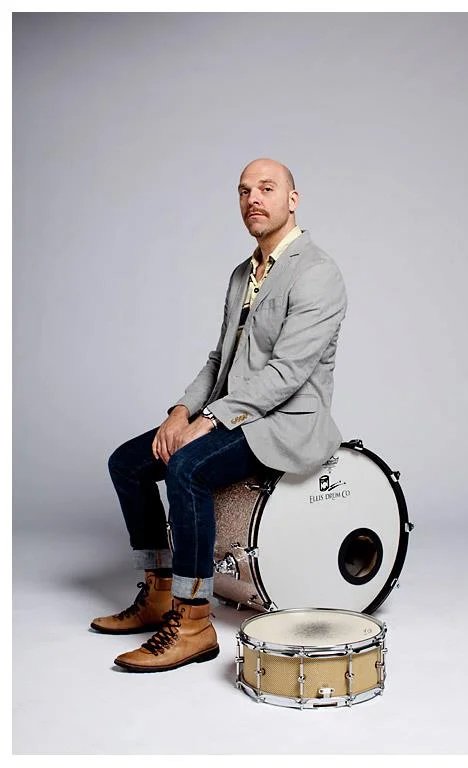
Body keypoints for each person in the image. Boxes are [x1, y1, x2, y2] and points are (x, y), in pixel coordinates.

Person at [90, 157, 348, 673]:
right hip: (235, 411)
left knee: (187, 469)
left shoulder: (317, 273)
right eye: (244, 191)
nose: (253, 199)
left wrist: (209, 420)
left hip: (286, 420)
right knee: (128, 462)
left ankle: (192, 620)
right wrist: (181, 411)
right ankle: (160, 591)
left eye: (267, 189)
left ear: (292, 200)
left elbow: (286, 374)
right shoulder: (241, 274)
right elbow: (218, 361)